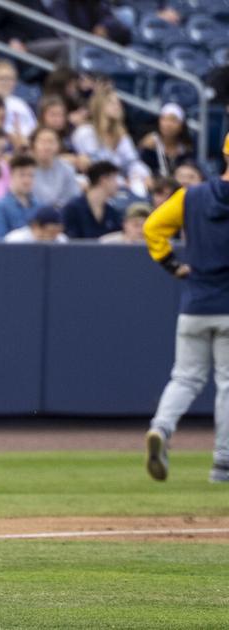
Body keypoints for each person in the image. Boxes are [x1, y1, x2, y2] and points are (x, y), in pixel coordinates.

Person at [142, 132, 229, 484]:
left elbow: (152, 228)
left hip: (195, 302)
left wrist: (172, 265)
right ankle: (223, 463)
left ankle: (161, 430)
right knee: (227, 382)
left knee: (185, 377)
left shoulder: (190, 196)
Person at [71, 86, 149, 195]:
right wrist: (121, 182)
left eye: (118, 103)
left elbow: (133, 163)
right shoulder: (85, 133)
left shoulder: (122, 136)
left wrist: (145, 176)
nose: (117, 106)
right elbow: (93, 166)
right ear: (100, 106)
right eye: (111, 103)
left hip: (119, 185)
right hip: (91, 184)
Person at [62, 160, 121, 239]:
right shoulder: (72, 209)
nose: (118, 184)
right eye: (114, 179)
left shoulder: (112, 213)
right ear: (103, 180)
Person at [0, 154, 37, 239]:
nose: (27, 180)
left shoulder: (40, 207)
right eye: (22, 175)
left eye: (31, 175)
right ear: (11, 176)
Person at [139, 103, 196, 179]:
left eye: (173, 120)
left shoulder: (186, 148)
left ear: (181, 125)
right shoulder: (150, 143)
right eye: (164, 119)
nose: (168, 124)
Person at [29, 126, 80, 209]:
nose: (47, 147)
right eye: (42, 142)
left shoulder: (67, 169)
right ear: (34, 145)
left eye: (51, 142)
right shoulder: (26, 168)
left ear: (58, 145)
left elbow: (72, 198)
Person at [0, 60, 35, 145]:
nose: (6, 83)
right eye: (2, 79)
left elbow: (33, 129)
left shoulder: (21, 104)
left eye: (10, 79)